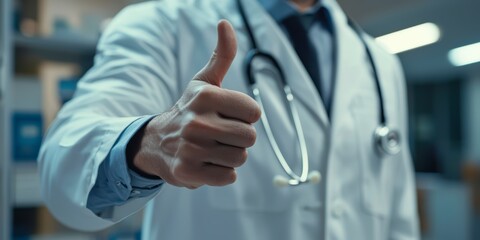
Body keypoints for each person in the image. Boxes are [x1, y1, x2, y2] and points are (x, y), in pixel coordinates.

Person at [38, 0, 420, 239]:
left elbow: (400, 215)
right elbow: (62, 164)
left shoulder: (380, 61)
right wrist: (148, 144)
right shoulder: (163, 23)